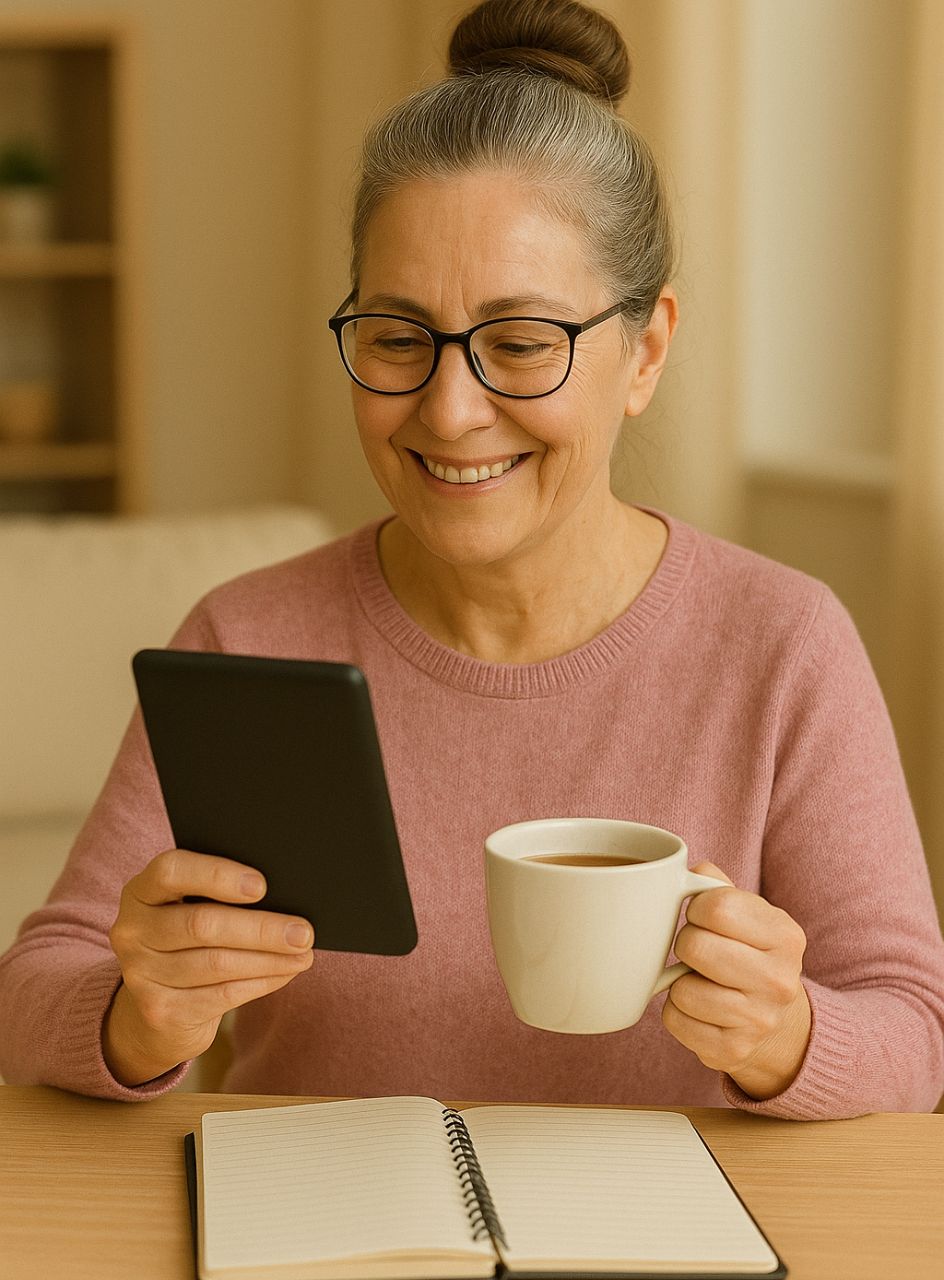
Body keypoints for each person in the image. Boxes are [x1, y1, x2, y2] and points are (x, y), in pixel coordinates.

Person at [1, 0, 942, 1119]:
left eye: (519, 343)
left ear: (642, 351)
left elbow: (911, 1033)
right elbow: (31, 991)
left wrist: (789, 1035)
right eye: (397, 337)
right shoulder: (248, 636)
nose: (449, 412)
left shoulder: (780, 642)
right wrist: (138, 1009)